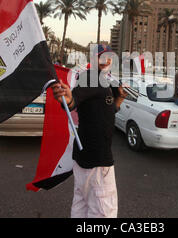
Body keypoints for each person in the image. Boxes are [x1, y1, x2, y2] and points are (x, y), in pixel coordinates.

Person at [52, 44, 127, 218]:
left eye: (109, 57)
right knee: (103, 211)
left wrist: (120, 98)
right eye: (101, 56)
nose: (106, 60)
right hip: (97, 158)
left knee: (82, 204)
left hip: (85, 156)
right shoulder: (90, 77)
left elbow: (106, 113)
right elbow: (73, 101)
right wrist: (68, 100)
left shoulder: (103, 79)